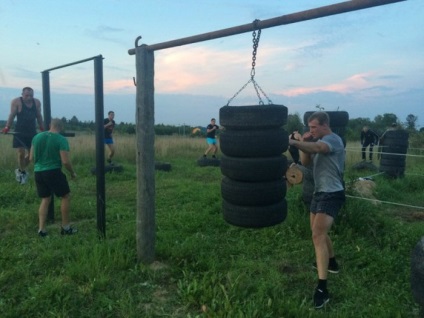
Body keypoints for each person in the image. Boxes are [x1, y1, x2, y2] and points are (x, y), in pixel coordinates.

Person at [288, 111, 345, 309]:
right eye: (309, 127)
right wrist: (303, 145)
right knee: (318, 231)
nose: (310, 131)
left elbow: (319, 147)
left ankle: (322, 289)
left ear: (324, 125)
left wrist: (295, 143)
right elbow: (305, 162)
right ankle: (333, 263)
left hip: (332, 193)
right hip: (319, 192)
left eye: (313, 127)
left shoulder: (333, 140)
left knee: (317, 235)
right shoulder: (315, 140)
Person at [29, 118, 77, 237]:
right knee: (65, 196)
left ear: (50, 125)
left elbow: (31, 159)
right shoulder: (61, 139)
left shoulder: (36, 137)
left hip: (38, 172)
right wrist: (72, 172)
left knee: (45, 199)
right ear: (61, 127)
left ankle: (42, 230)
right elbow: (65, 161)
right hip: (53, 171)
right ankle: (66, 228)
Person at [2, 87, 44, 184]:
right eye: (26, 95)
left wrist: (42, 127)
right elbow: (12, 115)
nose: (29, 97)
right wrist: (7, 127)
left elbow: (39, 116)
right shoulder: (16, 102)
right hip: (19, 132)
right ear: (22, 94)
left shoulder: (37, 102)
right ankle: (22, 173)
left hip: (32, 132)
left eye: (31, 95)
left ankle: (20, 170)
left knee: (31, 156)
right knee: (21, 153)